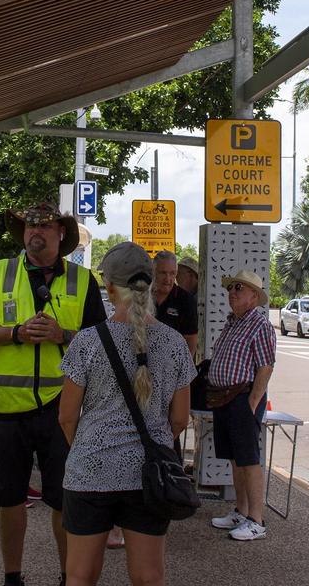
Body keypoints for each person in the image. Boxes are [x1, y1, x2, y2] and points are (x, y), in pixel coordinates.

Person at [0, 202, 108, 586]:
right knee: (8, 499)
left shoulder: (83, 281)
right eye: (30, 224)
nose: (36, 230)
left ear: (61, 233)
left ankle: (68, 577)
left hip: (61, 409)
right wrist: (14, 333)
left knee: (64, 500)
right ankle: (12, 576)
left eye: (45, 225)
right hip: (8, 407)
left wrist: (61, 335)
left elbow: (102, 344)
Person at [57, 242, 195, 586]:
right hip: (148, 476)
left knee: (80, 576)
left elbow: (67, 416)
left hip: (89, 471)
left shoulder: (86, 342)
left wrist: (91, 448)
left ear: (109, 286)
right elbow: (180, 418)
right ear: (149, 284)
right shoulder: (174, 342)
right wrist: (152, 442)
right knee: (148, 577)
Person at [206, 269, 276, 541]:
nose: (231, 293)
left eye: (239, 288)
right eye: (231, 288)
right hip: (224, 398)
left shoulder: (259, 325)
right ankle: (241, 511)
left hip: (242, 399)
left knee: (249, 460)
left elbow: (266, 367)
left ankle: (256, 520)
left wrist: (252, 403)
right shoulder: (233, 321)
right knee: (236, 459)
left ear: (254, 296)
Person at [151, 251, 199, 361]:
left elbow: (191, 339)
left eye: (172, 273)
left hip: (173, 366)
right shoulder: (142, 296)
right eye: (163, 273)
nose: (168, 279)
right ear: (153, 272)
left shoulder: (186, 300)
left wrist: (184, 369)